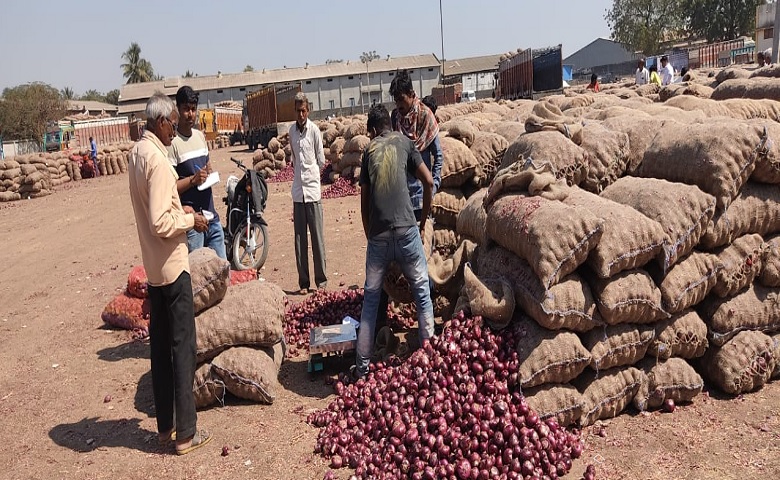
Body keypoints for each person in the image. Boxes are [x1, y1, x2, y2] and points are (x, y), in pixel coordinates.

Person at [127, 93, 212, 455]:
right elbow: (162, 221)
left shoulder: (136, 155)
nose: (174, 128)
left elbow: (153, 209)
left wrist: (179, 206)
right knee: (183, 349)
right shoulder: (159, 162)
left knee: (160, 350)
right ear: (160, 121)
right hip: (173, 268)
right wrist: (189, 219)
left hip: (152, 267)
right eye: (172, 122)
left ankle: (165, 429)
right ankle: (187, 434)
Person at [354, 104, 435, 379]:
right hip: (407, 231)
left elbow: (364, 203)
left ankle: (362, 369)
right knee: (422, 292)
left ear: (374, 130)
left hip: (378, 236)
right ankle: (431, 361)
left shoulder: (369, 151)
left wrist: (371, 238)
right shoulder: (406, 142)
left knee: (371, 302)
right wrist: (422, 224)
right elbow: (428, 182)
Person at [168, 86, 227, 260]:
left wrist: (209, 175)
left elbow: (207, 167)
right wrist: (193, 181)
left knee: (222, 272)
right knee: (198, 278)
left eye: (193, 109)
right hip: (192, 224)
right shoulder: (172, 144)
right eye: (186, 109)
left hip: (212, 219)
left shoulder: (200, 137)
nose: (190, 114)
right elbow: (170, 189)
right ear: (178, 109)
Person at [289, 92, 327, 294]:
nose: (301, 114)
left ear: (308, 110)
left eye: (303, 110)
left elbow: (321, 160)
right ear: (294, 111)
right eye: (298, 111)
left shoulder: (314, 131)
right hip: (298, 192)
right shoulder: (291, 132)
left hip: (312, 191)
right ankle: (304, 283)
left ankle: (321, 282)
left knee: (317, 239)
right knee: (300, 240)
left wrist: (312, 176)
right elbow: (294, 159)